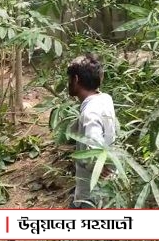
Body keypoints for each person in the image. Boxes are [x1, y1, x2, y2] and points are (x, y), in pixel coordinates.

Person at [66, 53, 118, 209]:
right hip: (106, 186)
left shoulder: (90, 112)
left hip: (91, 193)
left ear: (75, 80)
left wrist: (98, 165)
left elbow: (94, 142)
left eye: (69, 79)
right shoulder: (105, 98)